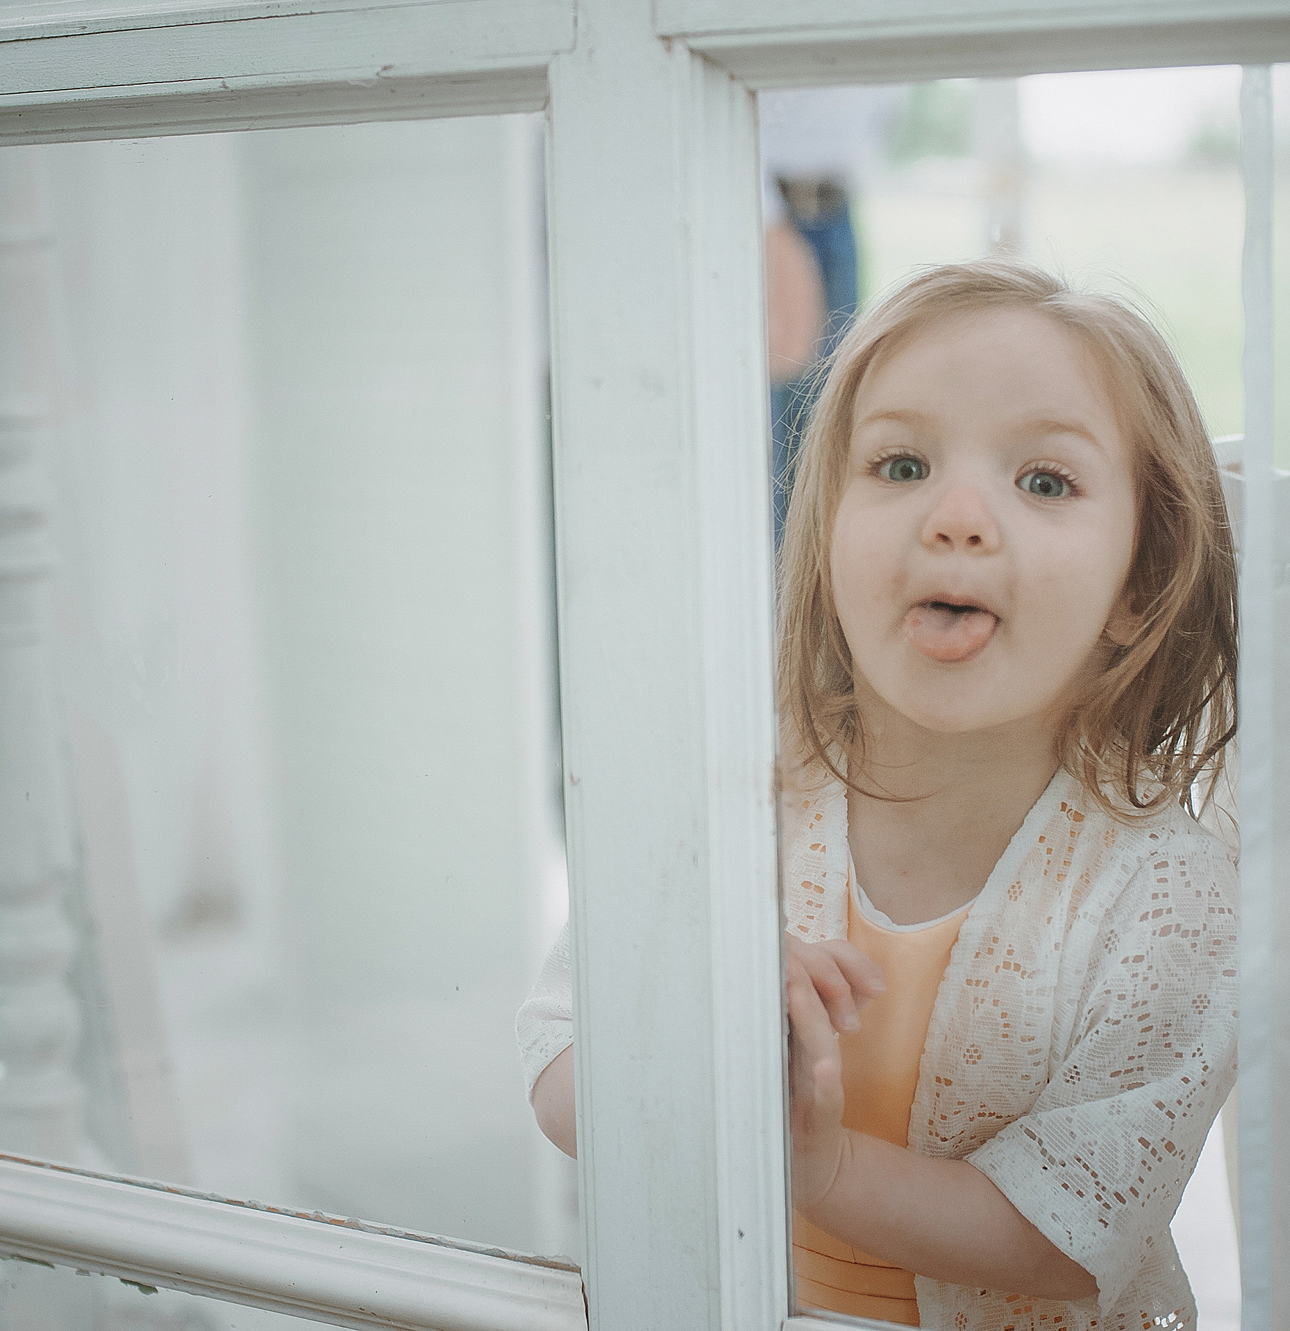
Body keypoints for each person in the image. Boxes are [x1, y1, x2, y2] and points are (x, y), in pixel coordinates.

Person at [519, 258, 1240, 1329]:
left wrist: (816, 1164)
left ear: (1138, 585)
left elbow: (1061, 1232)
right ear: (825, 530)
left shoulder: (1172, 897)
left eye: (1042, 481)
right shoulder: (730, 803)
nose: (954, 516)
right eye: (899, 464)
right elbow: (556, 1072)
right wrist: (692, 1030)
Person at [760, 87, 901, 549]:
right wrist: (766, 217)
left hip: (836, 208)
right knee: (774, 450)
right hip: (768, 204)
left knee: (827, 430)